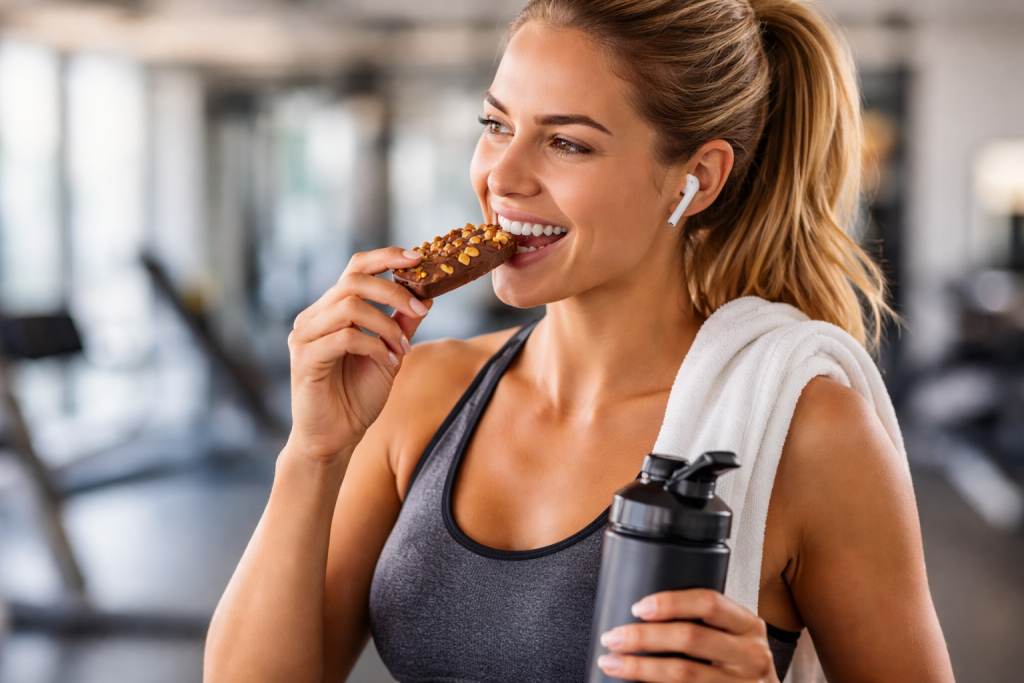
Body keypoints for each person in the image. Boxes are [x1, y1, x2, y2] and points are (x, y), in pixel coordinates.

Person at [204, 0, 956, 681]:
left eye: (566, 143)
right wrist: (313, 452)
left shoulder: (813, 435)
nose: (503, 174)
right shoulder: (417, 394)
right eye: (496, 124)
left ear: (696, 177)